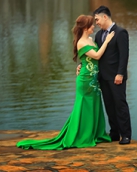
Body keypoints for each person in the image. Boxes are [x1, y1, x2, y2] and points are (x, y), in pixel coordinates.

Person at [17, 15, 114, 150]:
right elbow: (97, 56)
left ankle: (94, 134)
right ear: (85, 28)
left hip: (93, 80)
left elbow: (88, 59)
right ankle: (81, 136)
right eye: (91, 25)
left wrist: (80, 65)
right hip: (85, 80)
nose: (93, 26)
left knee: (94, 105)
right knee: (83, 106)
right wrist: (107, 41)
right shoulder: (81, 42)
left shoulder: (91, 39)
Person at [93, 5, 132, 145]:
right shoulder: (98, 35)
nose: (96, 22)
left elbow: (124, 55)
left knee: (120, 105)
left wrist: (120, 73)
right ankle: (114, 133)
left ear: (105, 17)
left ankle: (126, 135)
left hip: (116, 77)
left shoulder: (120, 32)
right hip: (103, 77)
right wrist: (81, 65)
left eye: (97, 19)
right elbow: (95, 55)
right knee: (109, 106)